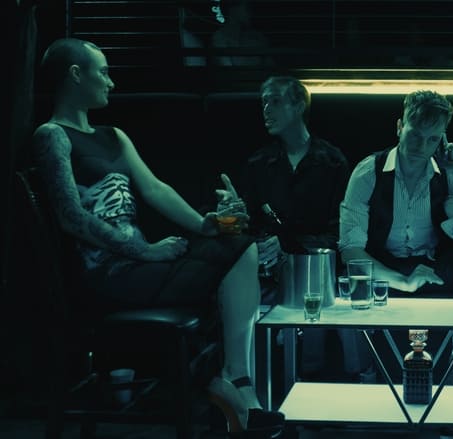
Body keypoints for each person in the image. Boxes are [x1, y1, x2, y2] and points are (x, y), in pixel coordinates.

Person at [31, 38, 284, 435]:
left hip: (136, 267)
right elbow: (71, 217)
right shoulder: (51, 135)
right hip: (105, 277)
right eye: (103, 72)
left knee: (238, 244)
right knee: (232, 256)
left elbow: (155, 189)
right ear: (76, 75)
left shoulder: (114, 135)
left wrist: (204, 224)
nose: (111, 82)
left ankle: (232, 378)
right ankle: (224, 386)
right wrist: (145, 251)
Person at [339, 89, 453, 387]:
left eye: (433, 139)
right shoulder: (368, 172)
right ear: (399, 127)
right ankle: (366, 371)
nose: (422, 147)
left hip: (433, 265)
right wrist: (402, 281)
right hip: (383, 265)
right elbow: (350, 250)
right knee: (352, 275)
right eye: (415, 135)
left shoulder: (446, 173)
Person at [241, 76, 372, 381]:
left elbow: (341, 231)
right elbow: (250, 223)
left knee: (318, 289)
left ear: (299, 106)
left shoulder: (333, 162)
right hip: (272, 271)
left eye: (275, 101)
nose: (266, 110)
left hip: (320, 267)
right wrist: (260, 242)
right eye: (264, 102)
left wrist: (291, 246)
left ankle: (332, 378)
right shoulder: (258, 163)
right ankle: (281, 381)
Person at [210, 0, 274, 67]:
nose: (250, 12)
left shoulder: (257, 37)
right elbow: (227, 70)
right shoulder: (219, 38)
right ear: (233, 9)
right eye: (247, 7)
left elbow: (270, 67)